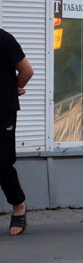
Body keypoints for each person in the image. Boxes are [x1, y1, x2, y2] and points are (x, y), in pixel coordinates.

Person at [1, 26, 34, 236]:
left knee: (2, 163)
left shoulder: (4, 39)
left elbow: (27, 70)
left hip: (3, 110)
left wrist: (13, 90)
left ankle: (18, 204)